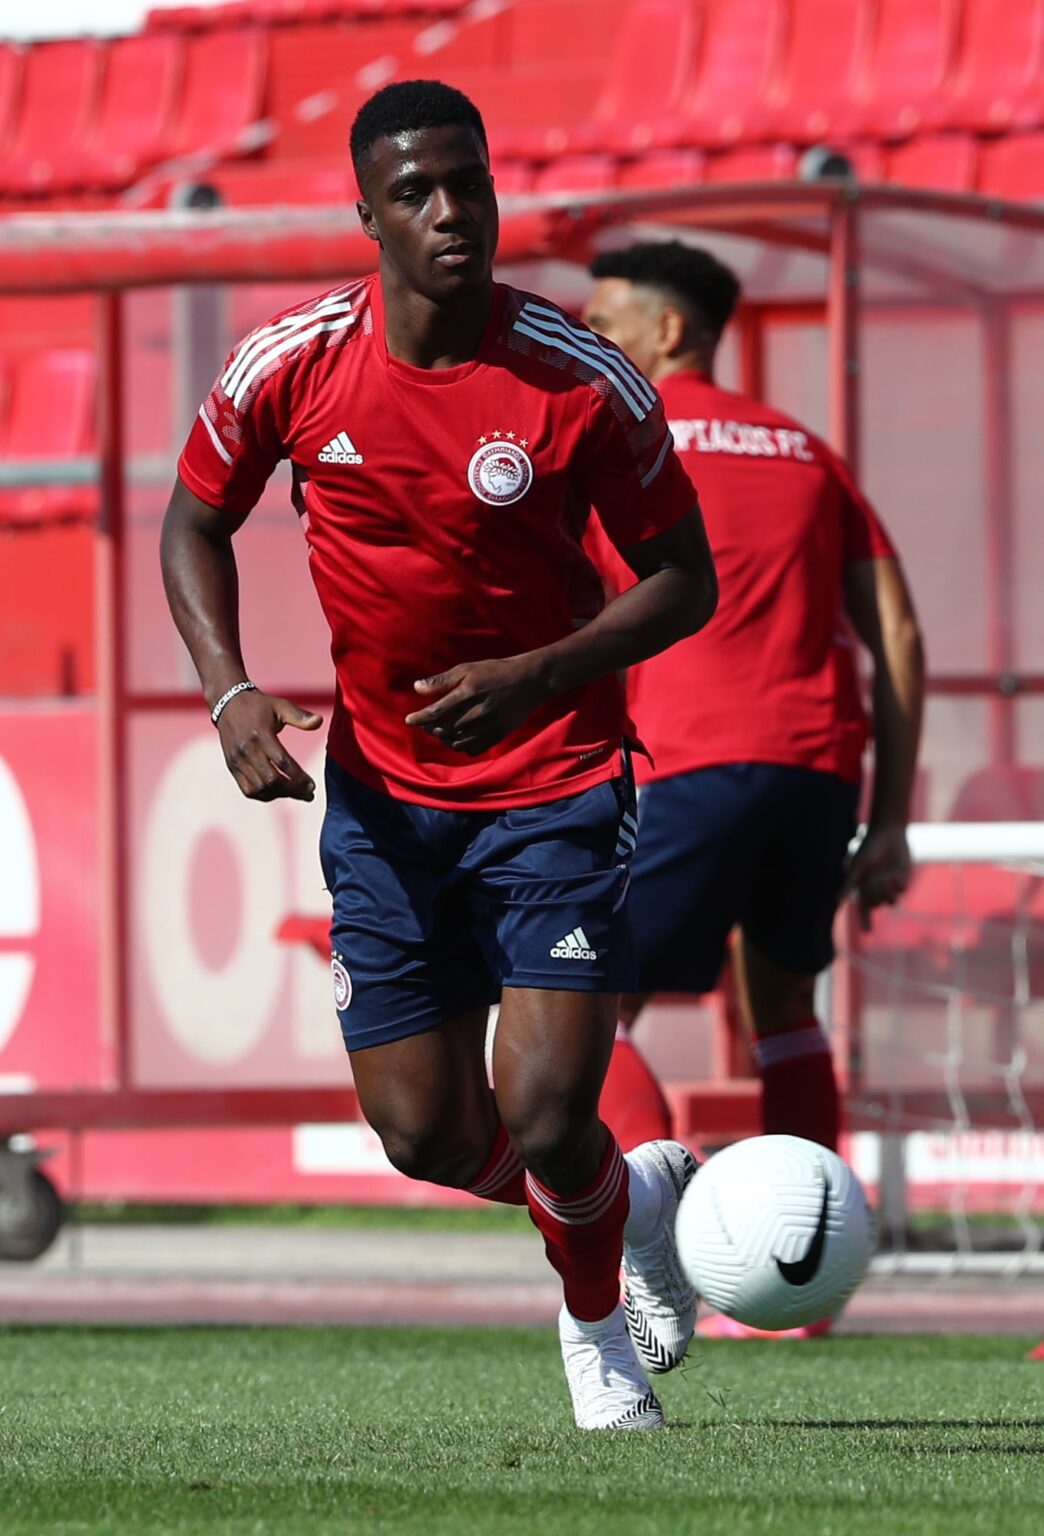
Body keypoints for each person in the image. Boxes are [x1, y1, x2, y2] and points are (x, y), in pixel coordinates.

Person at [160, 83, 718, 1427]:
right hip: (386, 804)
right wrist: (230, 691)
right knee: (424, 1134)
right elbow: (191, 522)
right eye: (416, 192)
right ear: (370, 215)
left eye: (469, 183)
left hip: (557, 784)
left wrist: (539, 673)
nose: (451, 211)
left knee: (545, 1111)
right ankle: (628, 1203)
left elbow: (685, 580)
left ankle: (599, 1337)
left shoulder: (577, 377)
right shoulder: (293, 365)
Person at [582, 242, 924, 1334]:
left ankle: (660, 1245)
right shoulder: (807, 449)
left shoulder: (623, 443)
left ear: (668, 331)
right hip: (818, 770)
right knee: (784, 1008)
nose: (588, 338)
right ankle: (806, 1287)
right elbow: (898, 634)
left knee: (585, 1006)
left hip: (688, 761)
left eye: (605, 320)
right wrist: (892, 818)